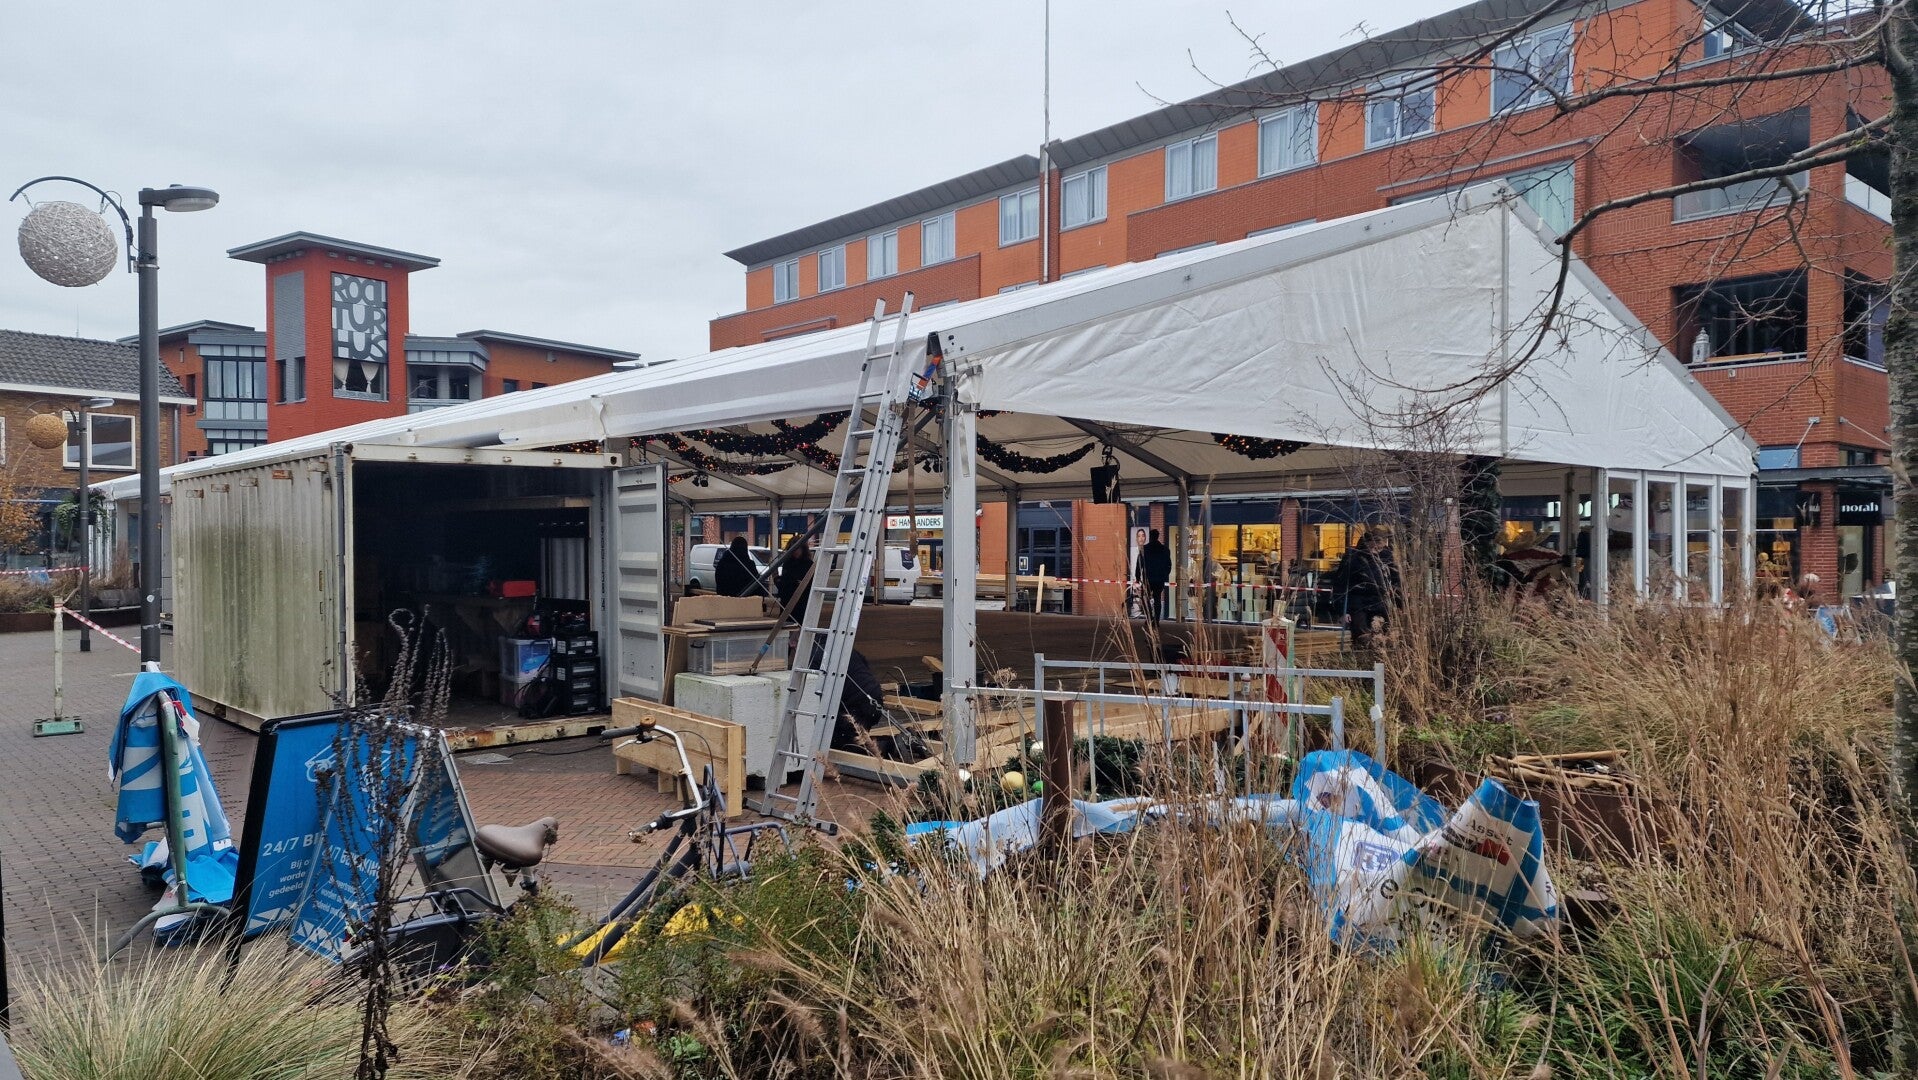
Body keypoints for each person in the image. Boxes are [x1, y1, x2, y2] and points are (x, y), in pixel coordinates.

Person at [1336, 531, 1399, 647]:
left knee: (1384, 637)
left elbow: (1396, 581)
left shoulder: (1386, 557)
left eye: (1379, 546)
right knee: (1362, 638)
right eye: (1374, 545)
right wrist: (1343, 611)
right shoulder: (1353, 559)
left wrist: (1399, 602)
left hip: (1380, 604)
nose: (1377, 549)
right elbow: (1341, 585)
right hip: (1359, 604)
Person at [1134, 528, 1173, 624]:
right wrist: (1164, 575)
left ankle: (1149, 618)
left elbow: (1139, 565)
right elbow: (1169, 565)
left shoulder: (1144, 549)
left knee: (1146, 598)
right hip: (1159, 579)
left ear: (1150, 537)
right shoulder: (1165, 550)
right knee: (1157, 599)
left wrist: (1138, 578)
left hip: (1148, 579)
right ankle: (1156, 620)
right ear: (1158, 536)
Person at [775, 538, 813, 620]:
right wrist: (778, 580)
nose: (796, 551)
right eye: (793, 549)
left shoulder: (808, 564)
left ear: (803, 549)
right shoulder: (787, 563)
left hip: (801, 600)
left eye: (798, 548)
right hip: (787, 599)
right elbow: (784, 581)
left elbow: (811, 583)